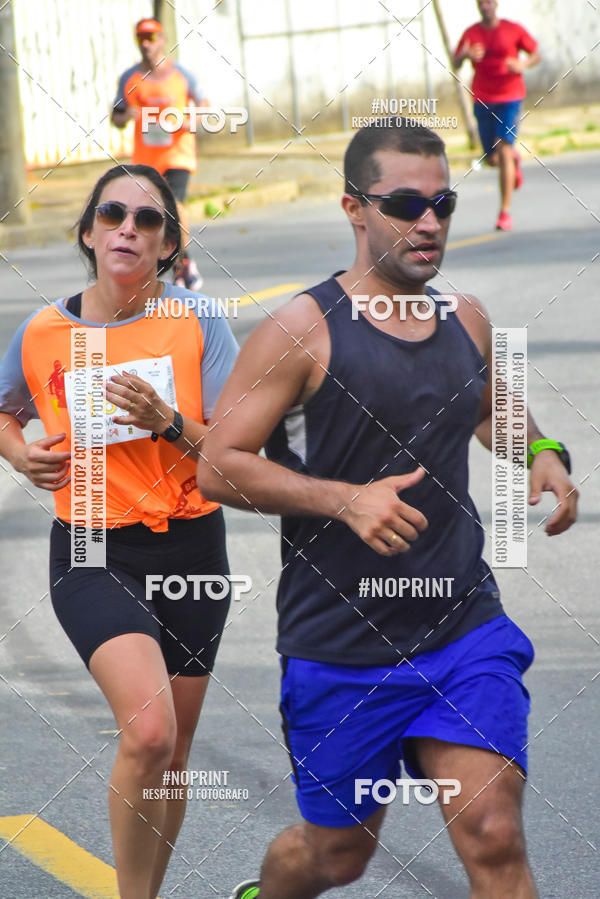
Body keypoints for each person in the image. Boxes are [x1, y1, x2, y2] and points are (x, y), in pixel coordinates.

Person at [196, 120, 578, 899]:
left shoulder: (465, 317)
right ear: (353, 207)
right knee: (337, 857)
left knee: (494, 835)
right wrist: (344, 501)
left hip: (461, 630)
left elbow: (490, 405)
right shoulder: (301, 329)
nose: (429, 221)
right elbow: (218, 465)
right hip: (341, 646)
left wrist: (542, 453)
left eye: (442, 201)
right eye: (406, 202)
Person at [0, 163, 238, 898]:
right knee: (149, 733)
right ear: (88, 232)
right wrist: (21, 454)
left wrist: (168, 422)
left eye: (148, 220)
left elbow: (235, 453)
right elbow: (4, 411)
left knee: (174, 750)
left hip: (194, 546)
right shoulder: (44, 330)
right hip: (93, 543)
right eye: (113, 215)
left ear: (169, 244)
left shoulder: (198, 320)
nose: (128, 228)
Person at [111, 17, 209, 289]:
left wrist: (192, 120)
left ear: (162, 40)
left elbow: (204, 106)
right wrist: (126, 115)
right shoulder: (129, 79)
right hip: (146, 159)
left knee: (175, 205)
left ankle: (184, 263)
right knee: (150, 214)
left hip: (178, 153)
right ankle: (158, 265)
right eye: (141, 38)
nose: (146, 43)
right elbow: (115, 116)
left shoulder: (181, 76)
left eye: (151, 37)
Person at [454, 0, 540, 231]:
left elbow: (535, 54)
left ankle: (504, 213)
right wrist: (464, 54)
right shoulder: (471, 33)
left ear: (496, 4)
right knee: (492, 158)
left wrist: (522, 64)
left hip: (510, 98)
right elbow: (455, 62)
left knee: (503, 148)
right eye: (481, 2)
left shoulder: (513, 29)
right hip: (482, 98)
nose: (485, 6)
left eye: (489, 2)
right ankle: (512, 160)